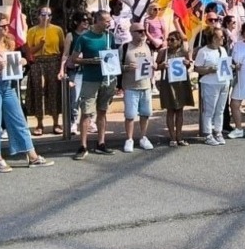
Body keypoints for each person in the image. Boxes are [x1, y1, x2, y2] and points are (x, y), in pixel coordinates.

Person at [0, 14, 53, 170]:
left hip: (8, 85)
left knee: (19, 120)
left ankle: (32, 155)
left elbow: (18, 59)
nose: (6, 29)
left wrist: (22, 62)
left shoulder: (8, 44)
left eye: (7, 26)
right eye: (2, 26)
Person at [70, 10, 118, 159]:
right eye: (105, 21)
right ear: (97, 21)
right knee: (86, 112)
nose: (108, 23)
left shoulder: (110, 37)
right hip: (90, 79)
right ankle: (83, 146)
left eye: (109, 20)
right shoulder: (84, 38)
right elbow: (74, 59)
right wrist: (90, 61)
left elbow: (114, 57)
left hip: (107, 79)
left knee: (102, 111)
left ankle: (101, 143)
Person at [24, 7, 64, 137]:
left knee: (54, 91)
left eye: (49, 15)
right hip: (38, 62)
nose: (46, 17)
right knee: (38, 91)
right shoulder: (32, 31)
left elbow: (62, 48)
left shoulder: (57, 30)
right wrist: (40, 46)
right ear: (39, 16)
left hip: (54, 61)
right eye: (43, 14)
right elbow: (29, 52)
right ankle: (39, 123)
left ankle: (56, 122)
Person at [194, 28, 231, 146]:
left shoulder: (223, 50)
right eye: (221, 37)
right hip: (210, 83)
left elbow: (225, 65)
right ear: (214, 38)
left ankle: (218, 132)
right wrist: (209, 69)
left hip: (223, 82)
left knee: (220, 110)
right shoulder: (203, 51)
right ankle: (207, 133)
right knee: (209, 110)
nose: (223, 39)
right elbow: (197, 68)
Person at [156, 31, 193, 147]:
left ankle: (179, 136)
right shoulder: (163, 52)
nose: (169, 42)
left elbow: (188, 65)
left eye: (172, 40)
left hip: (181, 83)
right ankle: (172, 137)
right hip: (168, 84)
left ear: (179, 41)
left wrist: (187, 63)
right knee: (170, 110)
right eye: (168, 39)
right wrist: (161, 66)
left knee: (180, 110)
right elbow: (155, 66)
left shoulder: (184, 52)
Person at [121, 24, 155, 152]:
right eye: (139, 31)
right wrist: (127, 67)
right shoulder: (125, 48)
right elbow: (115, 64)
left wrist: (154, 65)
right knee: (130, 115)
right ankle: (129, 139)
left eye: (144, 31)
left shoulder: (148, 47)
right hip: (130, 86)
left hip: (145, 86)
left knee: (145, 113)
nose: (143, 33)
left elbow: (152, 63)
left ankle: (143, 137)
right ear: (132, 32)